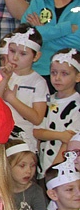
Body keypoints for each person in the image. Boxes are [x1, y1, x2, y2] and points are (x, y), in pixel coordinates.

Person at [0, 26, 47, 149]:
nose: (15, 57)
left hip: (24, 143)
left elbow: (37, 118)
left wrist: (12, 99)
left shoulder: (38, 82)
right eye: (12, 51)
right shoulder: (1, 74)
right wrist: (5, 79)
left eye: (23, 54)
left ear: (36, 56)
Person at [34, 49, 80, 177]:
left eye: (64, 74)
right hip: (42, 165)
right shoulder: (47, 99)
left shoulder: (77, 105)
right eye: (54, 73)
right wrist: (60, 135)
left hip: (63, 170)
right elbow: (37, 132)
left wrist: (54, 171)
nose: (57, 78)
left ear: (78, 77)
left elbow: (69, 141)